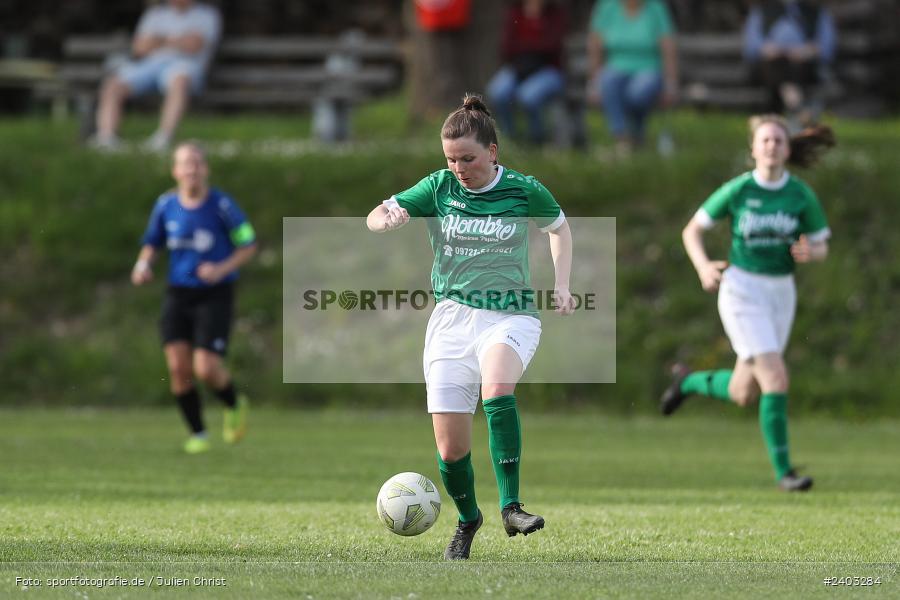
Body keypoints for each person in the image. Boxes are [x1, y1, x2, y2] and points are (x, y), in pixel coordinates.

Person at [366, 94, 575, 560]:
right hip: (451, 320)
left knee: (496, 389)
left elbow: (558, 229)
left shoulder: (523, 188)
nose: (459, 166)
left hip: (511, 314)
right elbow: (374, 215)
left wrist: (562, 284)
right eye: (451, 158)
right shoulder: (438, 187)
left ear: (493, 151)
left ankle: (511, 506)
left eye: (468, 158)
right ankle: (467, 519)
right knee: (451, 447)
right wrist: (391, 218)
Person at [660, 114, 835, 492]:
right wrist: (704, 266)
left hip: (780, 292)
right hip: (742, 290)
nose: (772, 146)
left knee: (745, 391)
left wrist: (811, 250)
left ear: (788, 149)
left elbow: (821, 244)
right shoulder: (739, 190)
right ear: (754, 149)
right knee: (776, 377)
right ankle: (785, 472)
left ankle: (688, 381)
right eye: (765, 140)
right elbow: (692, 231)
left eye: (778, 140)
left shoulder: (800, 194)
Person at [131, 142, 256, 454]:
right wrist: (143, 264)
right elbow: (152, 243)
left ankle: (233, 402)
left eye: (197, 163)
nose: (192, 169)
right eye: (185, 164)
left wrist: (220, 268)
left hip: (215, 293)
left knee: (206, 368)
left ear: (206, 169)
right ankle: (198, 434)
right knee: (177, 368)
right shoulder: (165, 206)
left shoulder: (222, 206)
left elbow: (248, 244)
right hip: (178, 292)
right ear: (175, 171)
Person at [91, 0, 222, 151]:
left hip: (184, 65)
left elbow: (194, 46)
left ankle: (164, 138)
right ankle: (107, 139)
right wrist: (177, 40)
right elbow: (139, 48)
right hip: (149, 66)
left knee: (179, 82)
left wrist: (158, 40)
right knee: (113, 84)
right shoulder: (155, 14)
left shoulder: (206, 15)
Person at [586, 0, 679, 154]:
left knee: (637, 93)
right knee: (608, 79)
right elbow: (595, 44)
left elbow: (668, 46)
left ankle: (635, 134)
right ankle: (622, 139)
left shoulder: (656, 7)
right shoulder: (607, 6)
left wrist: (671, 83)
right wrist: (593, 83)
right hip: (616, 66)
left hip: (649, 67)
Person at [486, 0, 567, 145]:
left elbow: (553, 46)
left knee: (528, 96)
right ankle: (509, 137)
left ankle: (536, 139)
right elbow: (507, 47)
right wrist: (533, 47)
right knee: (498, 91)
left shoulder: (555, 14)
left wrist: (525, 47)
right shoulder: (515, 12)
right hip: (518, 67)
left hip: (547, 70)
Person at [743, 0, 836, 123]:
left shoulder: (818, 13)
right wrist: (768, 50)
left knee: (790, 67)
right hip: (768, 67)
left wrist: (806, 51)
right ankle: (796, 108)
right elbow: (751, 47)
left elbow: (827, 47)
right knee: (776, 65)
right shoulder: (760, 12)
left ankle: (777, 115)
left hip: (803, 67)